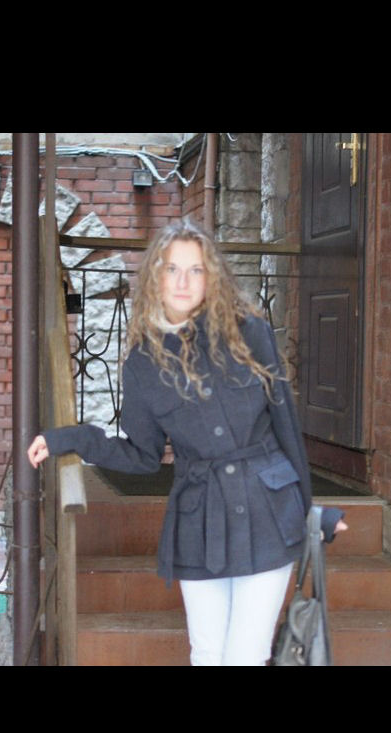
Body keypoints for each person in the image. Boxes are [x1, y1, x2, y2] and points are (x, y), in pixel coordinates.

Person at [27, 218, 347, 666]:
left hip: (268, 511)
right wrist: (73, 438)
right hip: (200, 521)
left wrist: (309, 510)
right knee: (208, 654)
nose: (183, 281)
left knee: (246, 655)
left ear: (211, 276)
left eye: (196, 269)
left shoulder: (249, 332)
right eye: (172, 269)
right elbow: (142, 455)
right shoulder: (142, 362)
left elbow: (286, 428)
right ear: (155, 277)